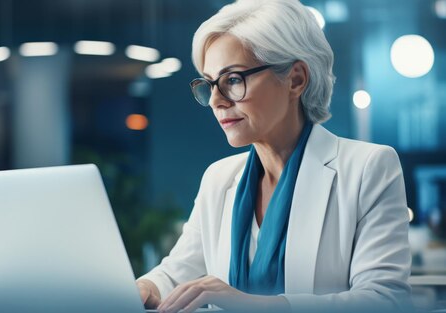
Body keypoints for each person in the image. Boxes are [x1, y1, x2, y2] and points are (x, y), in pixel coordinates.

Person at [135, 0, 411, 312]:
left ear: (296, 79)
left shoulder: (368, 167)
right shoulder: (219, 178)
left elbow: (385, 300)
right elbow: (175, 272)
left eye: (233, 80)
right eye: (210, 84)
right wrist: (145, 287)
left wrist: (249, 305)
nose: (216, 101)